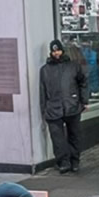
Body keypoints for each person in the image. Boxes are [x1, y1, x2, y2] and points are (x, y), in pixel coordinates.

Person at [40, 39, 88, 173]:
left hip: (72, 106)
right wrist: (43, 109)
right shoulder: (45, 70)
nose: (56, 53)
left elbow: (82, 83)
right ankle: (63, 162)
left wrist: (84, 101)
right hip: (53, 108)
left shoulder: (73, 66)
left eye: (58, 50)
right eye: (54, 51)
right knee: (57, 138)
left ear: (62, 50)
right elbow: (42, 91)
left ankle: (75, 161)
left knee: (75, 135)